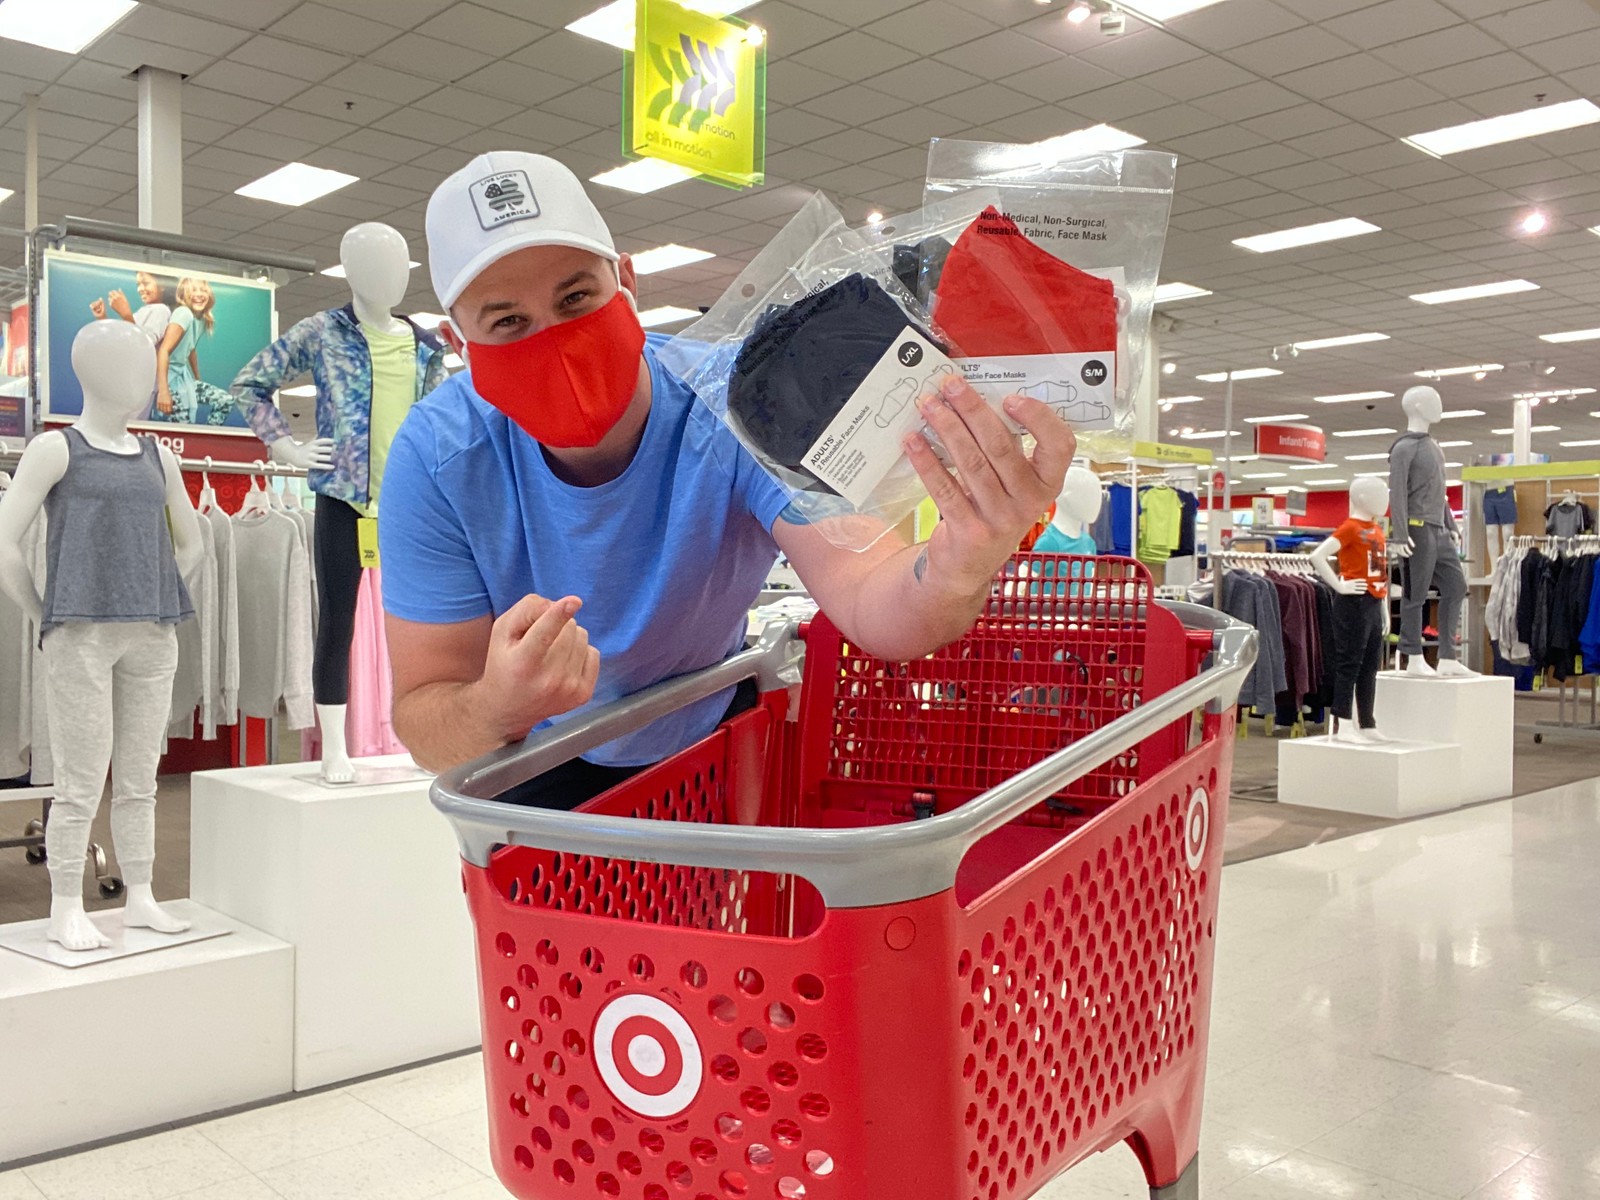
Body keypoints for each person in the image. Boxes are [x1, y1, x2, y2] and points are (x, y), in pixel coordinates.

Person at [380, 152, 1074, 805]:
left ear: (626, 283)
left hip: (709, 742)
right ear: (457, 342)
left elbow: (870, 599)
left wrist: (958, 565)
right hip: (533, 765)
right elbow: (423, 716)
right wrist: (496, 706)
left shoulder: (734, 400)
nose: (554, 340)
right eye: (508, 321)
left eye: (575, 297)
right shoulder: (439, 455)